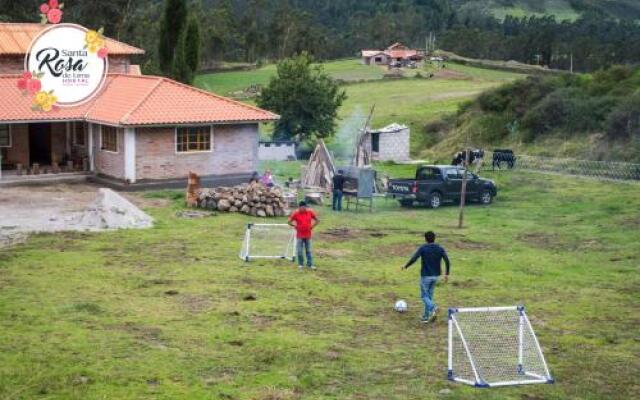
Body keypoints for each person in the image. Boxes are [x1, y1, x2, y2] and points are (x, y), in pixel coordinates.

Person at [402, 231, 450, 323]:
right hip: (436, 276)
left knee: (424, 296)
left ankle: (433, 308)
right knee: (429, 297)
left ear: (425, 239)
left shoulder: (423, 248)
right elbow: (447, 260)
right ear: (434, 238)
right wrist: (447, 274)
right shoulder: (440, 248)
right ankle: (426, 316)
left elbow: (414, 258)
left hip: (426, 276)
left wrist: (406, 266)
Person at [288, 201, 319, 270]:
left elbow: (317, 220)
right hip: (299, 235)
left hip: (308, 235)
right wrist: (295, 226)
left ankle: (310, 264)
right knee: (299, 251)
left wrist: (312, 227)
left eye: (305, 207)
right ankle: (300, 264)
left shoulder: (310, 212)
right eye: (302, 207)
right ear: (299, 207)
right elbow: (289, 222)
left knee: (308, 250)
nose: (304, 209)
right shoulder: (296, 213)